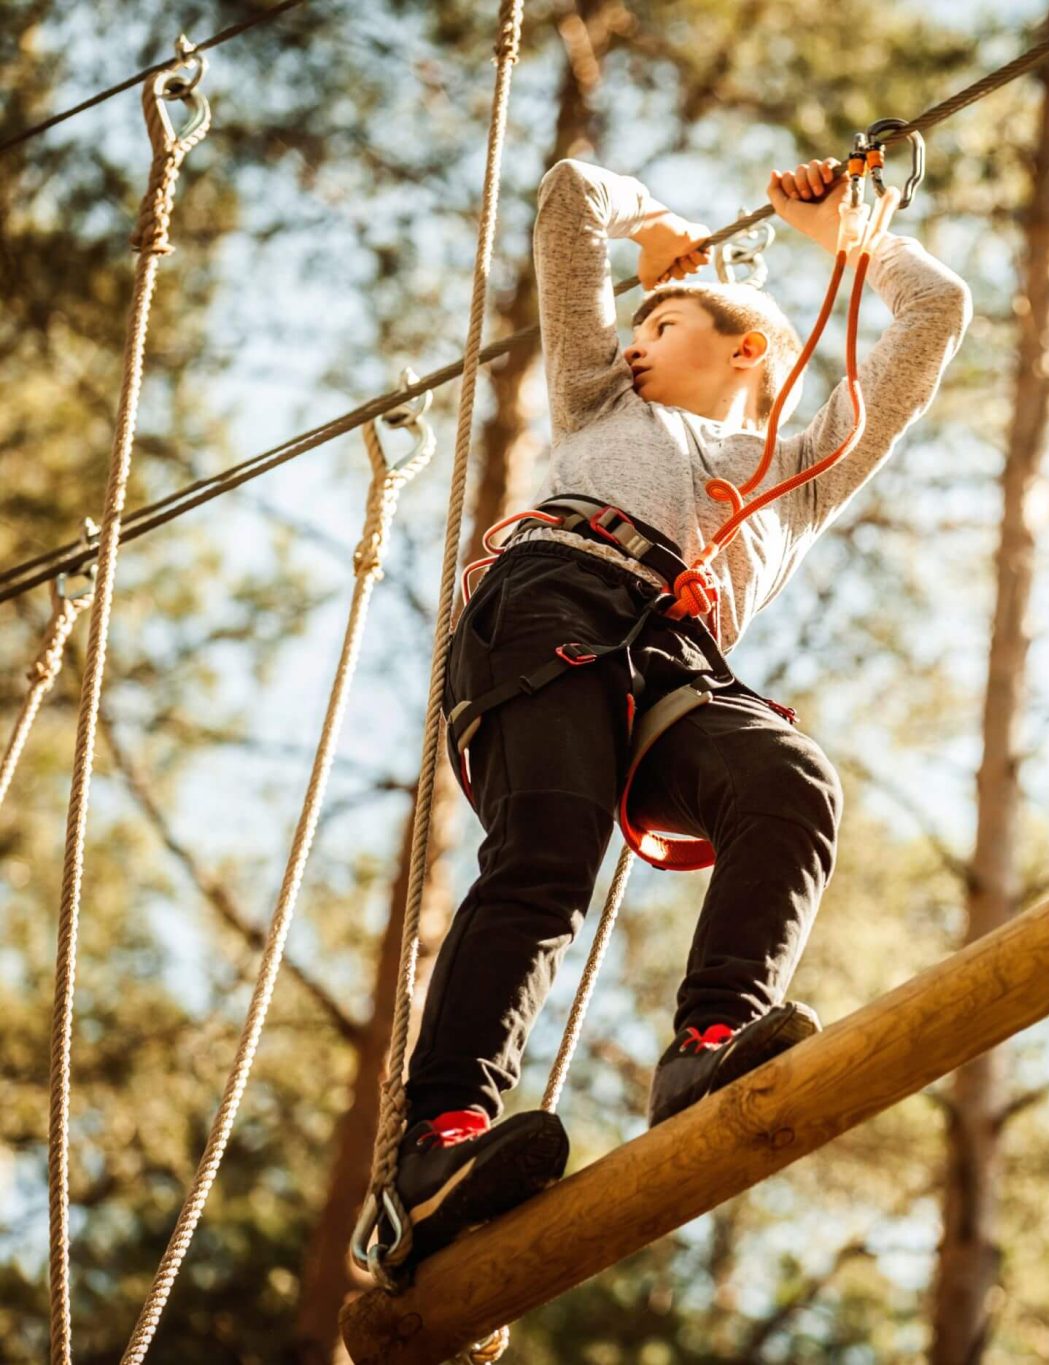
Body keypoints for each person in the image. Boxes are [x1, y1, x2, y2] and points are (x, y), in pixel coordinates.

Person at [387, 154, 972, 1266]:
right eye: (634, 323)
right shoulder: (597, 396)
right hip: (554, 600)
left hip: (675, 652)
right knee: (548, 856)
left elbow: (935, 312)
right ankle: (437, 1141)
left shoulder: (803, 469)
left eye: (661, 321)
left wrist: (854, 242)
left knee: (785, 779)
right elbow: (569, 198)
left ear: (748, 347)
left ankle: (709, 1042)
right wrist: (660, 235)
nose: (634, 338)